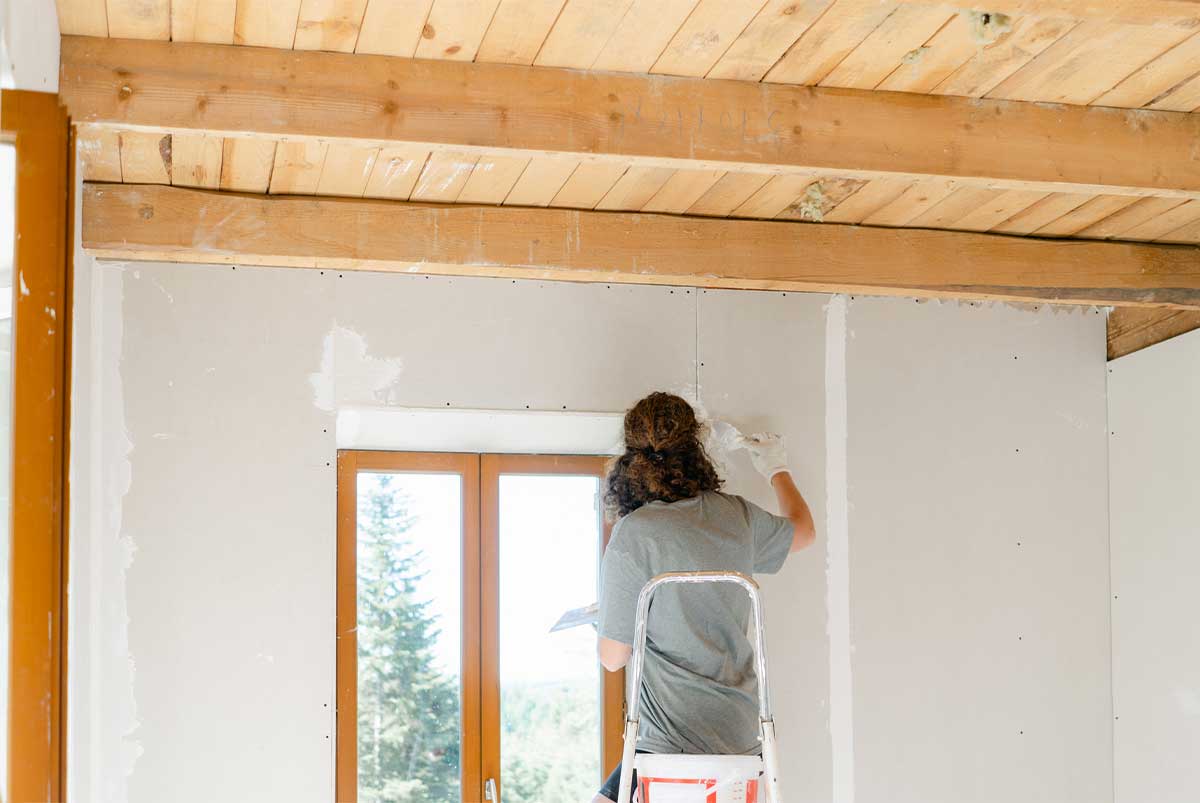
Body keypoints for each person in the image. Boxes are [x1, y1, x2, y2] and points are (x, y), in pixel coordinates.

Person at [592, 392, 816, 803]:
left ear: (631, 461)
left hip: (668, 749)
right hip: (738, 741)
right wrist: (776, 468)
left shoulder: (634, 534)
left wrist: (606, 617)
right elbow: (804, 531)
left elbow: (613, 657)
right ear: (695, 449)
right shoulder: (736, 516)